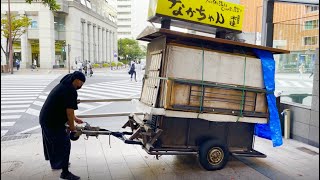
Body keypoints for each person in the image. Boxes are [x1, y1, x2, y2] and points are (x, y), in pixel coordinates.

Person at [39, 71, 86, 180]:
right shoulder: (70, 91)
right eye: (81, 84)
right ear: (77, 80)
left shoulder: (65, 84)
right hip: (52, 121)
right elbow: (69, 111)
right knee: (65, 144)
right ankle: (65, 173)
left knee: (54, 143)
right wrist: (73, 128)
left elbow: (66, 106)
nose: (81, 87)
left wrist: (75, 119)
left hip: (46, 118)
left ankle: (57, 164)